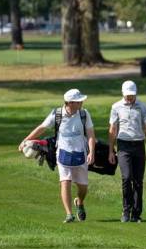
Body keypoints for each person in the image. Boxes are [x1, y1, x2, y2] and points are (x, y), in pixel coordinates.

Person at [18, 88, 96, 223]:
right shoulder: (57, 114)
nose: (81, 103)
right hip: (63, 153)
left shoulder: (84, 114)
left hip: (81, 154)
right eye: (78, 101)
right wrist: (26, 140)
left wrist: (92, 152)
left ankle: (80, 202)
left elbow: (90, 134)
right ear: (70, 103)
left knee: (83, 187)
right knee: (65, 181)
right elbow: (42, 127)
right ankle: (69, 214)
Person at [108, 80, 146, 223]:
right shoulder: (116, 107)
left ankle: (136, 214)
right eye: (128, 95)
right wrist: (111, 150)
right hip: (123, 146)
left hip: (138, 145)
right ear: (123, 94)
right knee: (126, 177)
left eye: (132, 95)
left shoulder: (142, 106)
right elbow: (113, 129)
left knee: (138, 181)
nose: (130, 98)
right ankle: (126, 210)